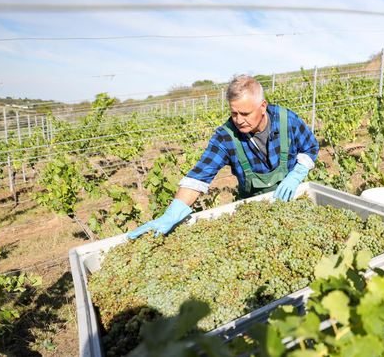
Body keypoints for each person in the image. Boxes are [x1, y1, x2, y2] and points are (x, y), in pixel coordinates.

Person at [127, 75, 319, 239]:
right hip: (253, 209)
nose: (239, 120)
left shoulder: (287, 121)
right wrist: (171, 214)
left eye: (245, 113)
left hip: (292, 201)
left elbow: (310, 147)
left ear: (262, 106)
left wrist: (296, 175)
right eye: (234, 113)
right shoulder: (226, 137)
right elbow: (199, 176)